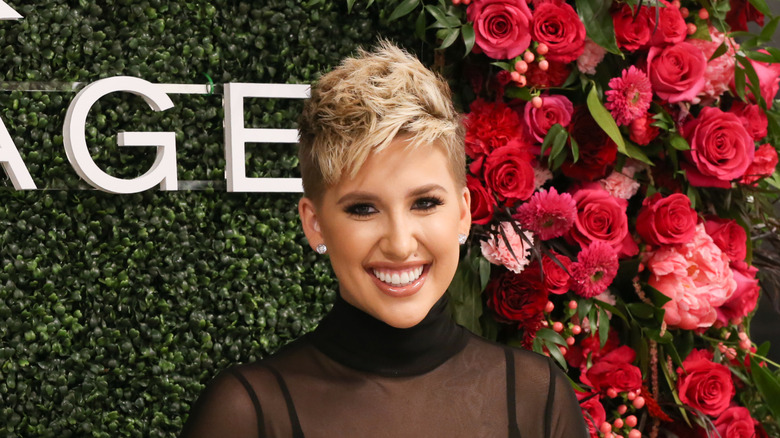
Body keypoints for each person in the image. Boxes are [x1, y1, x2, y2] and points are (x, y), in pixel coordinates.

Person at [181, 41, 589, 438]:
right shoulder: (247, 414)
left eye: (425, 203)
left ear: (463, 212)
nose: (399, 243)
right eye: (363, 208)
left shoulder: (537, 398)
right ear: (314, 223)